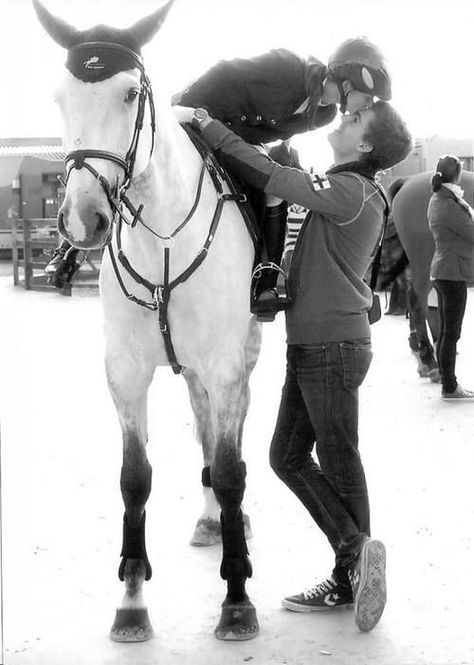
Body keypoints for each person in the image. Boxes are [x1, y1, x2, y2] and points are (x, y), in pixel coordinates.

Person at [174, 99, 412, 632]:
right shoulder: (345, 190)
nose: (344, 120)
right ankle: (355, 559)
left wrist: (208, 125)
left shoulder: (352, 192)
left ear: (367, 146)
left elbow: (271, 175)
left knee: (338, 457)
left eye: (354, 122)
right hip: (315, 344)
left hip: (331, 348)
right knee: (287, 455)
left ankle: (352, 561)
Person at [46, 38, 392, 315]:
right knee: (138, 163)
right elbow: (226, 73)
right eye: (367, 93)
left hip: (236, 143)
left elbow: (266, 135)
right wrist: (190, 112)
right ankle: (70, 250)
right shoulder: (289, 67)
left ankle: (265, 276)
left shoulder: (326, 114)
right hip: (200, 112)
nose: (366, 102)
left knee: (275, 189)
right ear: (347, 81)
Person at [428, 155, 474, 400]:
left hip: (444, 270)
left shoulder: (441, 198)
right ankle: (450, 386)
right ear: (457, 174)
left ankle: (448, 383)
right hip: (452, 272)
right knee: (451, 334)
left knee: (447, 332)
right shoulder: (449, 204)